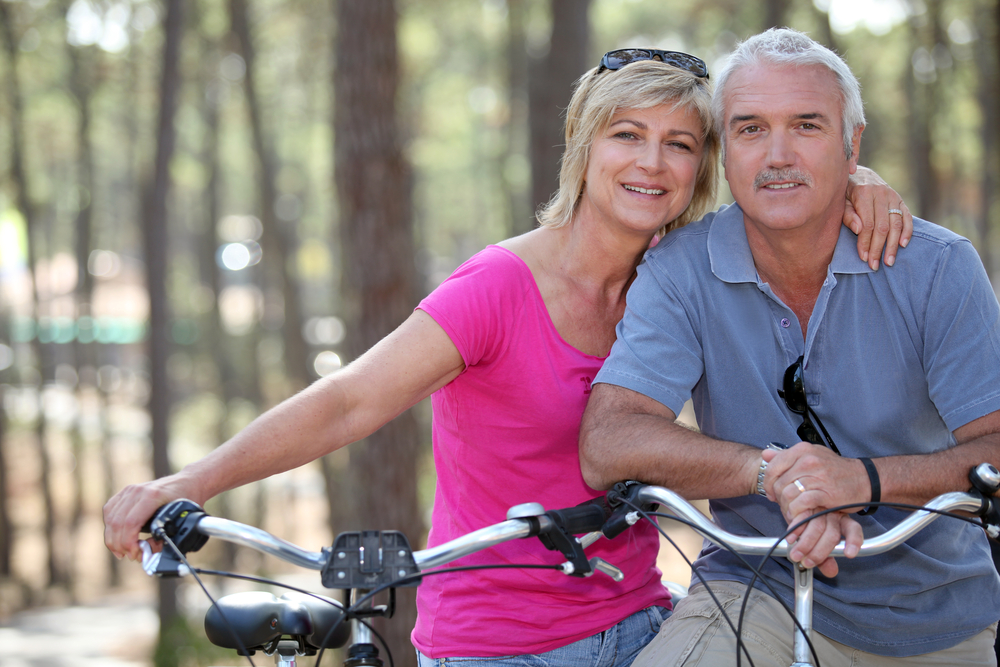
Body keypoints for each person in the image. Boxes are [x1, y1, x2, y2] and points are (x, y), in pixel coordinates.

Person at [104, 47, 908, 667]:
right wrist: (191, 481)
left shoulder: (684, 278)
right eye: (626, 135)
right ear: (583, 145)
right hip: (496, 641)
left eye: (678, 144)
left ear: (700, 167)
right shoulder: (498, 284)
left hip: (642, 623)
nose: (651, 163)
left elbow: (785, 180)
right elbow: (350, 399)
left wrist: (858, 182)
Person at [579, 28, 1000, 667]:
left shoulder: (939, 267)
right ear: (726, 153)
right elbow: (607, 441)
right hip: (754, 589)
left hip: (933, 616)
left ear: (853, 144)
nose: (777, 155)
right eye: (750, 129)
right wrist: (775, 475)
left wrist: (858, 481)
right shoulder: (680, 270)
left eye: (807, 126)